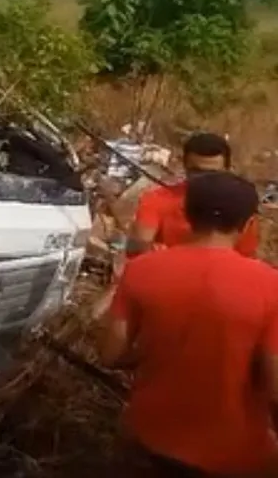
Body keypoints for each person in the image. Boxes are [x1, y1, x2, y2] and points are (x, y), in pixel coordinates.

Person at [99, 171, 278, 477]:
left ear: (185, 213)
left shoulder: (141, 269)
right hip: (237, 454)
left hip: (149, 438)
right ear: (249, 225)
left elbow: (109, 354)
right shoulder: (270, 284)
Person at [127, 131, 259, 258]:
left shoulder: (240, 205)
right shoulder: (159, 198)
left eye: (212, 174)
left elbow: (246, 258)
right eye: (196, 172)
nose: (204, 179)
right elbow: (138, 247)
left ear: (227, 170)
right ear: (184, 166)